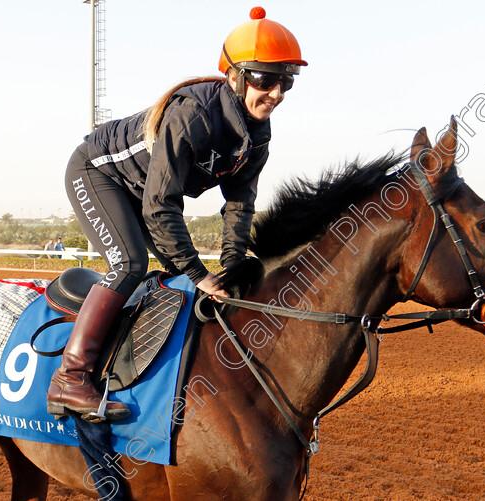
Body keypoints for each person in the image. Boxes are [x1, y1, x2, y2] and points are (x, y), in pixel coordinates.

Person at [47, 6, 307, 422]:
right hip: (98, 174)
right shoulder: (193, 114)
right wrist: (198, 273)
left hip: (146, 191)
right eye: (265, 78)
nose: (275, 92)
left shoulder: (258, 133)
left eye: (286, 81)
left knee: (179, 279)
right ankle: (68, 379)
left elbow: (239, 204)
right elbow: (160, 204)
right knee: (131, 263)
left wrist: (231, 267)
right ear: (236, 77)